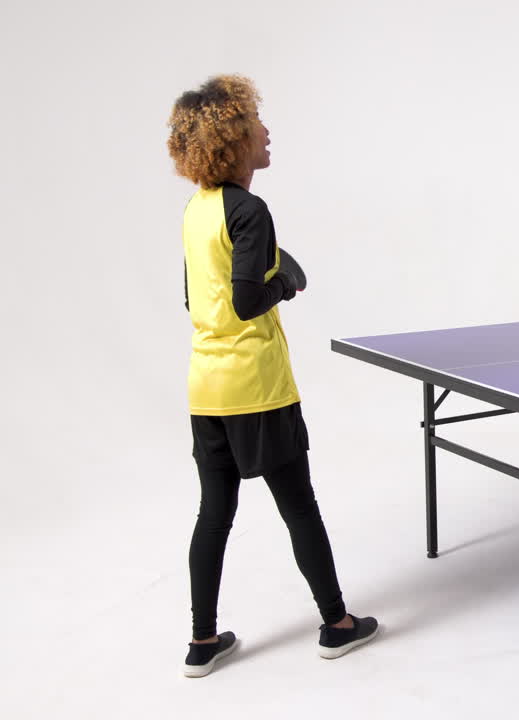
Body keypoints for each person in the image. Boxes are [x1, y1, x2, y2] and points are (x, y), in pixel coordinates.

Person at [167, 75, 378, 678]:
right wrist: (287, 282)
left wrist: (272, 272)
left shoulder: (196, 210)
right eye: (257, 123)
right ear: (234, 138)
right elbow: (244, 302)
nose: (266, 131)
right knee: (300, 508)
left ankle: (202, 643)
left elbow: (196, 300)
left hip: (206, 387)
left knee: (214, 513)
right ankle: (337, 625)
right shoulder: (250, 210)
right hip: (257, 388)